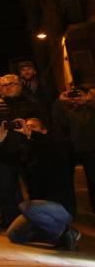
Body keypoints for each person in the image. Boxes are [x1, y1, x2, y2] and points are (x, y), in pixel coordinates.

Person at [0, 74, 47, 229]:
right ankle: (9, 221)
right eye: (4, 85)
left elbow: (42, 126)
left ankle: (38, 222)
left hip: (29, 154)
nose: (8, 87)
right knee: (6, 191)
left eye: (12, 84)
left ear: (19, 85)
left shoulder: (32, 104)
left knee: (35, 190)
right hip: (4, 156)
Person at [52, 83, 95, 216]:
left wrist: (88, 101)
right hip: (78, 150)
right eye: (74, 94)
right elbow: (58, 119)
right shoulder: (71, 110)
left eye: (80, 94)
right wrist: (60, 101)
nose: (77, 97)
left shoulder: (91, 107)